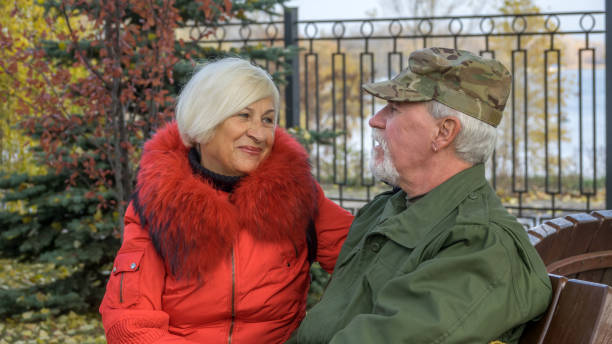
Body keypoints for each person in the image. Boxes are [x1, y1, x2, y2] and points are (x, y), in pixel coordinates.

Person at [289, 47, 552, 344]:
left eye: (394, 109)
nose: (374, 120)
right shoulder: (388, 209)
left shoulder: (479, 246)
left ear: (443, 133)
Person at [99, 57, 354, 343]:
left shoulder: (298, 193)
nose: (258, 134)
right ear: (206, 119)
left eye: (267, 119)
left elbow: (370, 256)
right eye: (244, 116)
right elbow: (128, 320)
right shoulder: (158, 202)